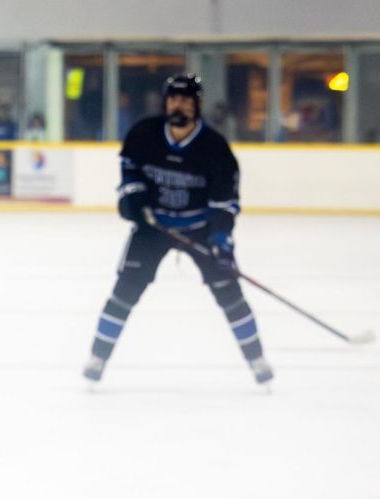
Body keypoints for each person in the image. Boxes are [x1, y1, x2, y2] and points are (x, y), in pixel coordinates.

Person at [82, 74, 272, 385]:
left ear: (197, 104)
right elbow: (130, 173)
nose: (178, 104)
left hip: (200, 228)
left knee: (230, 295)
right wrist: (133, 200)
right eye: (173, 98)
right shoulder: (143, 134)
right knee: (125, 291)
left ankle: (257, 360)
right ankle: (98, 357)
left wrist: (221, 241)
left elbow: (225, 204)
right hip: (153, 227)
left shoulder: (216, 148)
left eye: (185, 99)